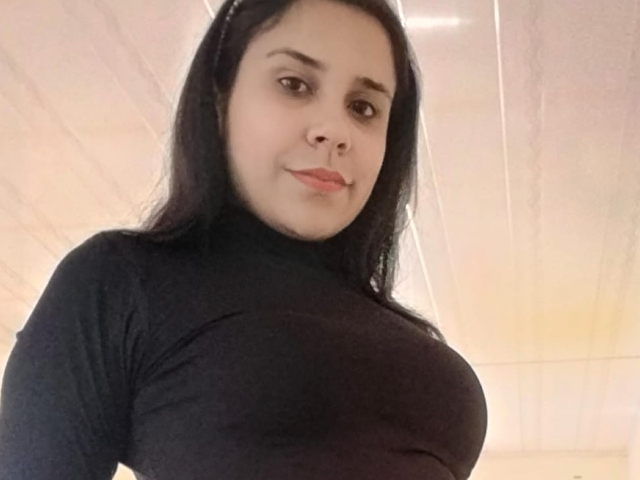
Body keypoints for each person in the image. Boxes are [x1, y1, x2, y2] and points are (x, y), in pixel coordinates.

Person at [0, 0, 487, 478]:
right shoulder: (123, 282)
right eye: (294, 84)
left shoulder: (403, 336)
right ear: (220, 101)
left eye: (363, 108)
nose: (335, 130)